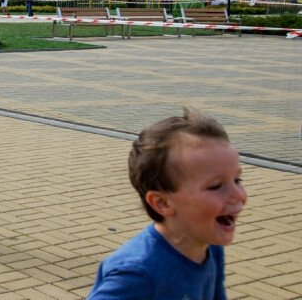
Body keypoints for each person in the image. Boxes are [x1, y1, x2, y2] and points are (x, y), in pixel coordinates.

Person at [87, 108, 247, 299]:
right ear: (162, 202)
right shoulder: (138, 273)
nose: (238, 194)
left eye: (237, 180)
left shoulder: (210, 246)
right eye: (215, 186)